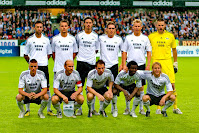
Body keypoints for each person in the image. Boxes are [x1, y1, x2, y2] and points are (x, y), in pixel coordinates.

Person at [148, 18, 182, 114]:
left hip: (167, 62)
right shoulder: (151, 37)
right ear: (156, 26)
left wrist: (175, 62)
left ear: (165, 25)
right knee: (157, 86)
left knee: (172, 85)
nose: (160, 27)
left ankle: (175, 107)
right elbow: (147, 50)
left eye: (162, 25)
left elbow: (174, 50)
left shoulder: (170, 36)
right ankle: (158, 108)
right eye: (159, 25)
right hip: (156, 62)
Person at [23, 20, 55, 116]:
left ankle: (49, 110)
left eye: (41, 27)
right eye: (37, 27)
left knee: (47, 88)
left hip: (44, 67)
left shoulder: (46, 40)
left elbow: (49, 54)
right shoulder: (30, 40)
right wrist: (31, 63)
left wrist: (42, 61)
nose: (39, 28)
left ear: (43, 28)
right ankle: (27, 110)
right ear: (34, 28)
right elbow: (25, 54)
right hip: (33, 68)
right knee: (29, 88)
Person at [121, 19, 152, 115]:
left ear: (141, 27)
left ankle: (141, 108)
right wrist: (123, 64)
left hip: (141, 65)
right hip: (130, 65)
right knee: (127, 86)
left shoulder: (145, 38)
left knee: (141, 87)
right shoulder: (128, 38)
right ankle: (127, 108)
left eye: (139, 26)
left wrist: (148, 65)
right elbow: (124, 52)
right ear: (132, 27)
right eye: (135, 26)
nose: (137, 28)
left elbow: (149, 52)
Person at [75, 17, 100, 115]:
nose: (88, 24)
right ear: (84, 24)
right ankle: (79, 109)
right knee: (79, 86)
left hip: (91, 64)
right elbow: (76, 48)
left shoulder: (95, 36)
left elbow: (96, 49)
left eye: (90, 23)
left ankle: (92, 109)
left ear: (92, 24)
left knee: (91, 87)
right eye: (87, 23)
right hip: (81, 62)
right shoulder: (79, 35)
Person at [99, 21, 123, 117]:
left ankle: (114, 108)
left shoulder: (119, 40)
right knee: (102, 88)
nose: (111, 30)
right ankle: (102, 108)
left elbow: (124, 51)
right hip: (103, 67)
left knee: (114, 89)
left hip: (114, 66)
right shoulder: (101, 38)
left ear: (115, 30)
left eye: (113, 28)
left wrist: (123, 64)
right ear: (106, 30)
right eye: (109, 28)